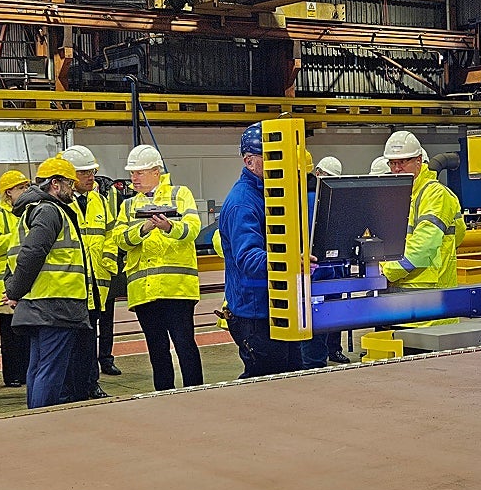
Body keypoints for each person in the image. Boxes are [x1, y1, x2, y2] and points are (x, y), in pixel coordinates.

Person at [4, 156, 94, 409]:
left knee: (39, 367)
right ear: (55, 184)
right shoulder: (49, 211)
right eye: (69, 184)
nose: (73, 190)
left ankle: (35, 419)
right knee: (50, 371)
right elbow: (32, 253)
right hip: (55, 303)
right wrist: (15, 291)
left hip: (41, 303)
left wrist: (15, 289)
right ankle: (43, 421)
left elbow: (20, 255)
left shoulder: (33, 211)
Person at [115, 144, 203, 390]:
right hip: (144, 291)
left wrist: (168, 227)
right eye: (132, 173)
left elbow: (193, 228)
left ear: (156, 171)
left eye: (139, 172)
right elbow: (119, 239)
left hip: (177, 288)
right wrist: (143, 229)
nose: (134, 178)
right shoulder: (128, 205)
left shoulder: (179, 194)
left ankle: (196, 392)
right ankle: (163, 394)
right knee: (156, 348)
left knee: (184, 344)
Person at [218, 124, 302, 378]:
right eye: (271, 157)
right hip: (255, 313)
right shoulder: (243, 203)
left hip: (278, 306)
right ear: (249, 161)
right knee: (266, 382)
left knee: (291, 378)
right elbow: (248, 258)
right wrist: (289, 260)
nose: (280, 164)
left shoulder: (275, 195)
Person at [379, 131, 464, 326]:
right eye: (392, 163)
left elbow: (423, 247)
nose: (397, 168)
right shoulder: (399, 194)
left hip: (429, 308)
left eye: (403, 162)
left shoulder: (435, 194)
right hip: (399, 305)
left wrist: (386, 272)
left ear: (418, 160)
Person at [62, 145, 118, 396]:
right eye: (83, 172)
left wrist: (108, 261)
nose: (90, 177)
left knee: (89, 336)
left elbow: (111, 234)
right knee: (71, 338)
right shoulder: (59, 204)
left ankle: (90, 384)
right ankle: (70, 387)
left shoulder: (100, 201)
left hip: (97, 281)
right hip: (71, 283)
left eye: (92, 171)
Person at [0, 169, 31, 388]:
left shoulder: (26, 210)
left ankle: (26, 372)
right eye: (21, 187)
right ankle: (12, 375)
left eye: (26, 186)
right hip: (5, 283)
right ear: (8, 192)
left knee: (26, 331)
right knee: (10, 334)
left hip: (23, 280)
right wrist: (23, 238)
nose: (25, 190)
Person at [301, 156, 350, 369]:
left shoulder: (307, 198)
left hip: (324, 274)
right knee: (316, 333)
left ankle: (325, 356)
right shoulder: (311, 199)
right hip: (319, 275)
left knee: (318, 330)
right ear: (317, 172)